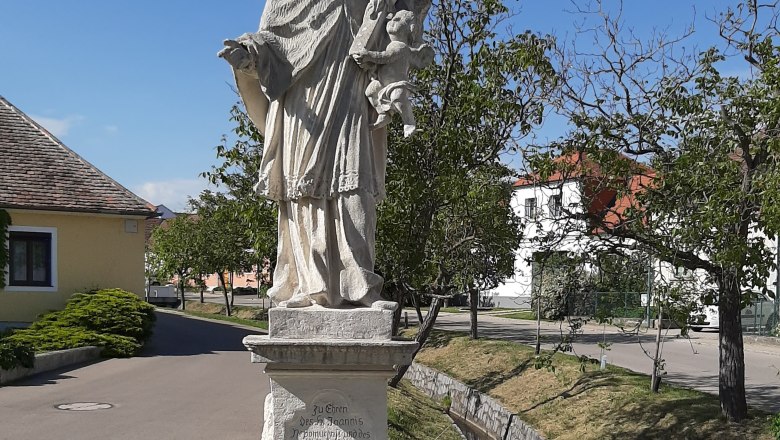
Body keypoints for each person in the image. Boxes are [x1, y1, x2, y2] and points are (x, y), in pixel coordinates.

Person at [219, 0, 394, 309]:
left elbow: (396, 23)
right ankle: (308, 285)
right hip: (302, 102)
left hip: (349, 94)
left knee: (354, 188)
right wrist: (248, 57)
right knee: (303, 188)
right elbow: (270, 41)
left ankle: (361, 286)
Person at [354, 10, 432, 137]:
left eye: (400, 19)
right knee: (370, 92)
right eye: (393, 18)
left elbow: (385, 57)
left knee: (397, 98)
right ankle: (383, 113)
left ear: (410, 29)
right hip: (383, 82)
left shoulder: (400, 47)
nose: (393, 20)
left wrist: (368, 55)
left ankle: (409, 123)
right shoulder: (393, 45)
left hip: (397, 84)